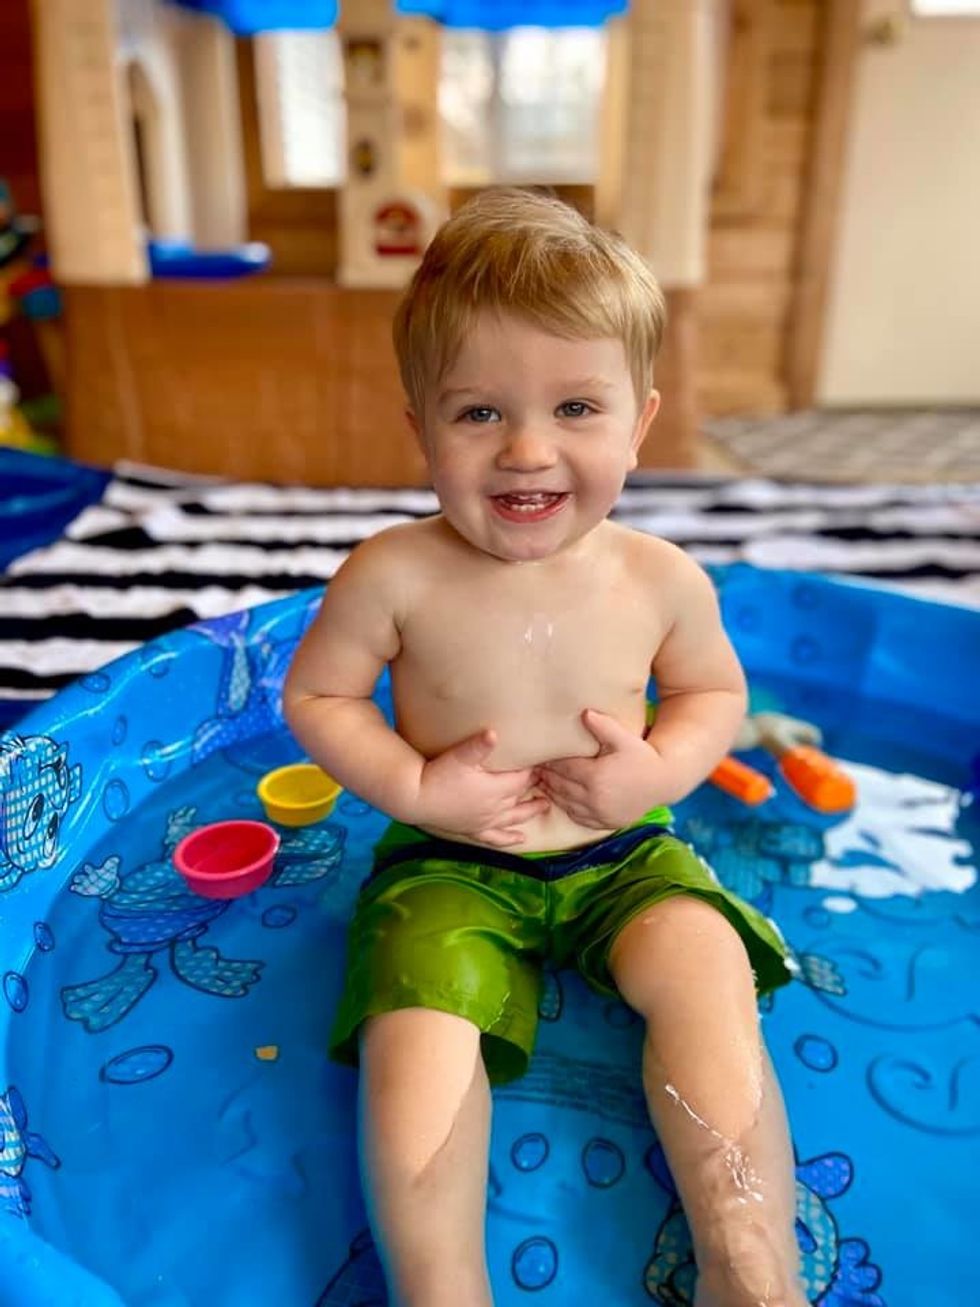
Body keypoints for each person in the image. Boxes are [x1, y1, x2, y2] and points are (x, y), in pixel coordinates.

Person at [283, 188, 806, 1307]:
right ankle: (441, 1287)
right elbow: (321, 694)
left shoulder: (658, 578)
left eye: (576, 407)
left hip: (622, 852)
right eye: (478, 414)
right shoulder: (394, 572)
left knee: (706, 968)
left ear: (639, 418)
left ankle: (747, 1259)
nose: (528, 451)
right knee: (416, 1028)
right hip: (448, 863)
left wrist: (659, 769)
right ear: (418, 420)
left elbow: (712, 690)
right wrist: (418, 784)